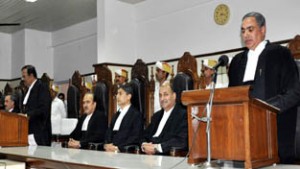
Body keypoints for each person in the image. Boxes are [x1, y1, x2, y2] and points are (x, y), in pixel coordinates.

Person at [228, 12, 299, 164]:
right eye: (243, 30)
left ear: (263, 30)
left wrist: (263, 108)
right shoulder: (236, 62)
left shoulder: (280, 54)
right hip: (242, 140)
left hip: (274, 137)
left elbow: (294, 93)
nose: (246, 34)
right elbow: (230, 97)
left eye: (250, 29)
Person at [141, 81, 187, 155]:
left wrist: (157, 148)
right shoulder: (156, 116)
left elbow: (181, 141)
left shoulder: (183, 115)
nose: (162, 99)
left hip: (166, 155)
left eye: (165, 95)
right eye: (160, 95)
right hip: (148, 155)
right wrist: (144, 145)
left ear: (174, 96)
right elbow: (144, 135)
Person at [104, 84, 143, 152]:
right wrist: (107, 144)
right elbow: (109, 132)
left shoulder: (136, 115)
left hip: (124, 152)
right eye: (117, 94)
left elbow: (135, 137)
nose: (117, 96)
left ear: (129, 96)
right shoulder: (115, 115)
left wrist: (118, 148)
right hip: (110, 150)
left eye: (120, 94)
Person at [21, 65, 52, 146]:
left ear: (31, 76)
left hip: (39, 132)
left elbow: (44, 108)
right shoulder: (28, 90)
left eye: (24, 76)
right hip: (28, 130)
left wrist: (27, 115)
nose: (23, 79)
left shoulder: (41, 87)